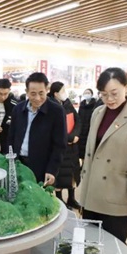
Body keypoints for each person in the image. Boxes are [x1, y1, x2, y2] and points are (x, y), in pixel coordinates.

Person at [78, 67, 127, 244]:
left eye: (114, 93)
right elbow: (91, 153)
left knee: (114, 249)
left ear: (126, 87)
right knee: (89, 248)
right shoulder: (97, 113)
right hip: (91, 193)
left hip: (115, 195)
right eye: (104, 94)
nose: (109, 99)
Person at [7, 72, 66, 186]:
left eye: (41, 93)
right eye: (33, 94)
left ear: (47, 90)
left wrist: (52, 170)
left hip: (42, 167)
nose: (37, 98)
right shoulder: (18, 109)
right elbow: (11, 137)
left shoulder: (56, 111)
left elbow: (59, 145)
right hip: (18, 163)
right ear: (27, 91)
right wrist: (9, 160)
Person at [47, 81, 81, 210]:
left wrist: (75, 135)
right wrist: (67, 138)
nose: (64, 93)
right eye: (62, 91)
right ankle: (60, 199)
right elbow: (52, 128)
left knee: (72, 173)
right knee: (60, 174)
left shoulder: (67, 104)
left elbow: (78, 120)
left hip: (73, 147)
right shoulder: (51, 106)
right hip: (60, 146)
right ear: (55, 93)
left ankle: (71, 198)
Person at [77, 88, 99, 162]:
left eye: (88, 93)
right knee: (81, 149)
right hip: (82, 129)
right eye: (85, 93)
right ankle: (82, 162)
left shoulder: (95, 104)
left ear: (91, 94)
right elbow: (78, 116)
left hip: (89, 129)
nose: (87, 94)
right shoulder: (82, 104)